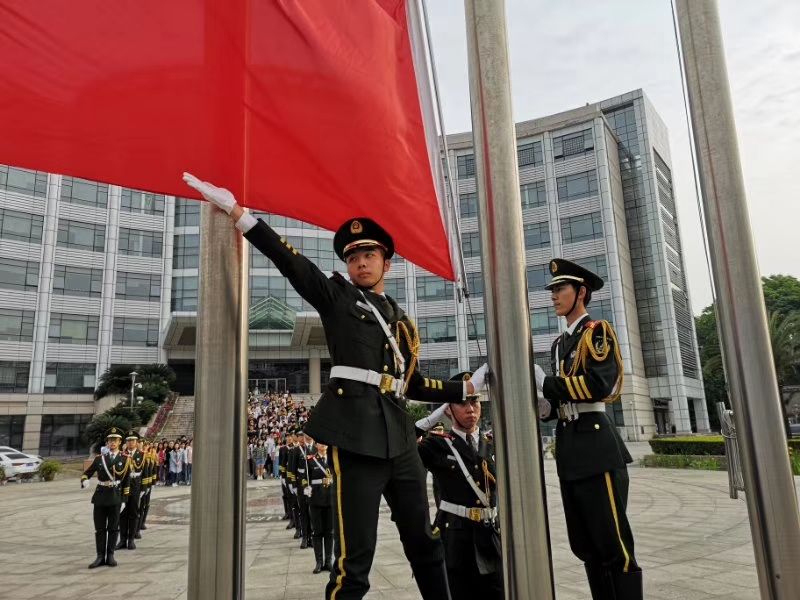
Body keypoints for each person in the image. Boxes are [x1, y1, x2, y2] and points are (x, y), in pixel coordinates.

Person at [183, 172, 487, 600]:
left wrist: (464, 389)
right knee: (353, 563)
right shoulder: (337, 298)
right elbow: (292, 263)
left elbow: (412, 383)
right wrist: (239, 214)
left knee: (426, 545)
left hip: (401, 441)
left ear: (386, 263)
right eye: (353, 257)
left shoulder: (401, 322)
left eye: (369, 254)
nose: (360, 262)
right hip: (356, 437)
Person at [535, 258, 641, 599]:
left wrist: (547, 384)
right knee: (586, 546)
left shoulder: (596, 332)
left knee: (614, 546)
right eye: (552, 290)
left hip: (596, 448)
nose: (553, 295)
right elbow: (561, 400)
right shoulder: (559, 344)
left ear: (581, 292)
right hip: (570, 449)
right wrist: (543, 405)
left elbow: (600, 384)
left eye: (560, 288)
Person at [415, 373, 503, 599]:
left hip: (490, 538)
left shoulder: (494, 443)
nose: (470, 409)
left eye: (474, 401)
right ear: (448, 409)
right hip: (455, 540)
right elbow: (405, 441)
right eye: (462, 403)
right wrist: (433, 417)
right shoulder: (437, 445)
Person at [81, 427, 130, 568]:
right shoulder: (99, 459)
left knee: (113, 528)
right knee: (100, 528)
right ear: (107, 443)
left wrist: (124, 500)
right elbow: (87, 473)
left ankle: (110, 555)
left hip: (115, 496)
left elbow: (127, 481)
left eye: (115, 440)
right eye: (110, 440)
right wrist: (84, 480)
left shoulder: (125, 459)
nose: (112, 443)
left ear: (120, 442)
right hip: (100, 496)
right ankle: (100, 556)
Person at [308, 442, 334, 574]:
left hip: (330, 500)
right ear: (316, 446)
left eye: (324, 442)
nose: (323, 444)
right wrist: (307, 494)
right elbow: (305, 480)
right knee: (317, 532)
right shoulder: (310, 460)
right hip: (316, 500)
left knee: (329, 532)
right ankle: (319, 562)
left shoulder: (333, 459)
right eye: (320, 443)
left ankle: (328, 561)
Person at [117, 430, 144, 551]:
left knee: (133, 512)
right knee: (122, 513)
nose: (130, 442)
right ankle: (122, 540)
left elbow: (145, 472)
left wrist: (144, 488)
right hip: (123, 486)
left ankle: (131, 539)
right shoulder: (121, 455)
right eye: (128, 440)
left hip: (135, 485)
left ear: (136, 442)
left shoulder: (141, 454)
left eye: (132, 440)